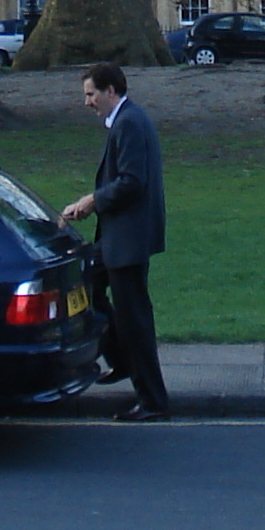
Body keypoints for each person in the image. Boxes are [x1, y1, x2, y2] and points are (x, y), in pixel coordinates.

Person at [60, 62, 171, 421]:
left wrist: (90, 202)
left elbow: (132, 181)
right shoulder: (126, 121)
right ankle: (121, 360)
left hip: (128, 240)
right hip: (117, 238)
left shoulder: (129, 123)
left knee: (134, 318)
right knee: (88, 285)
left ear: (111, 91)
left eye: (91, 94)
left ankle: (153, 400)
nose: (87, 102)